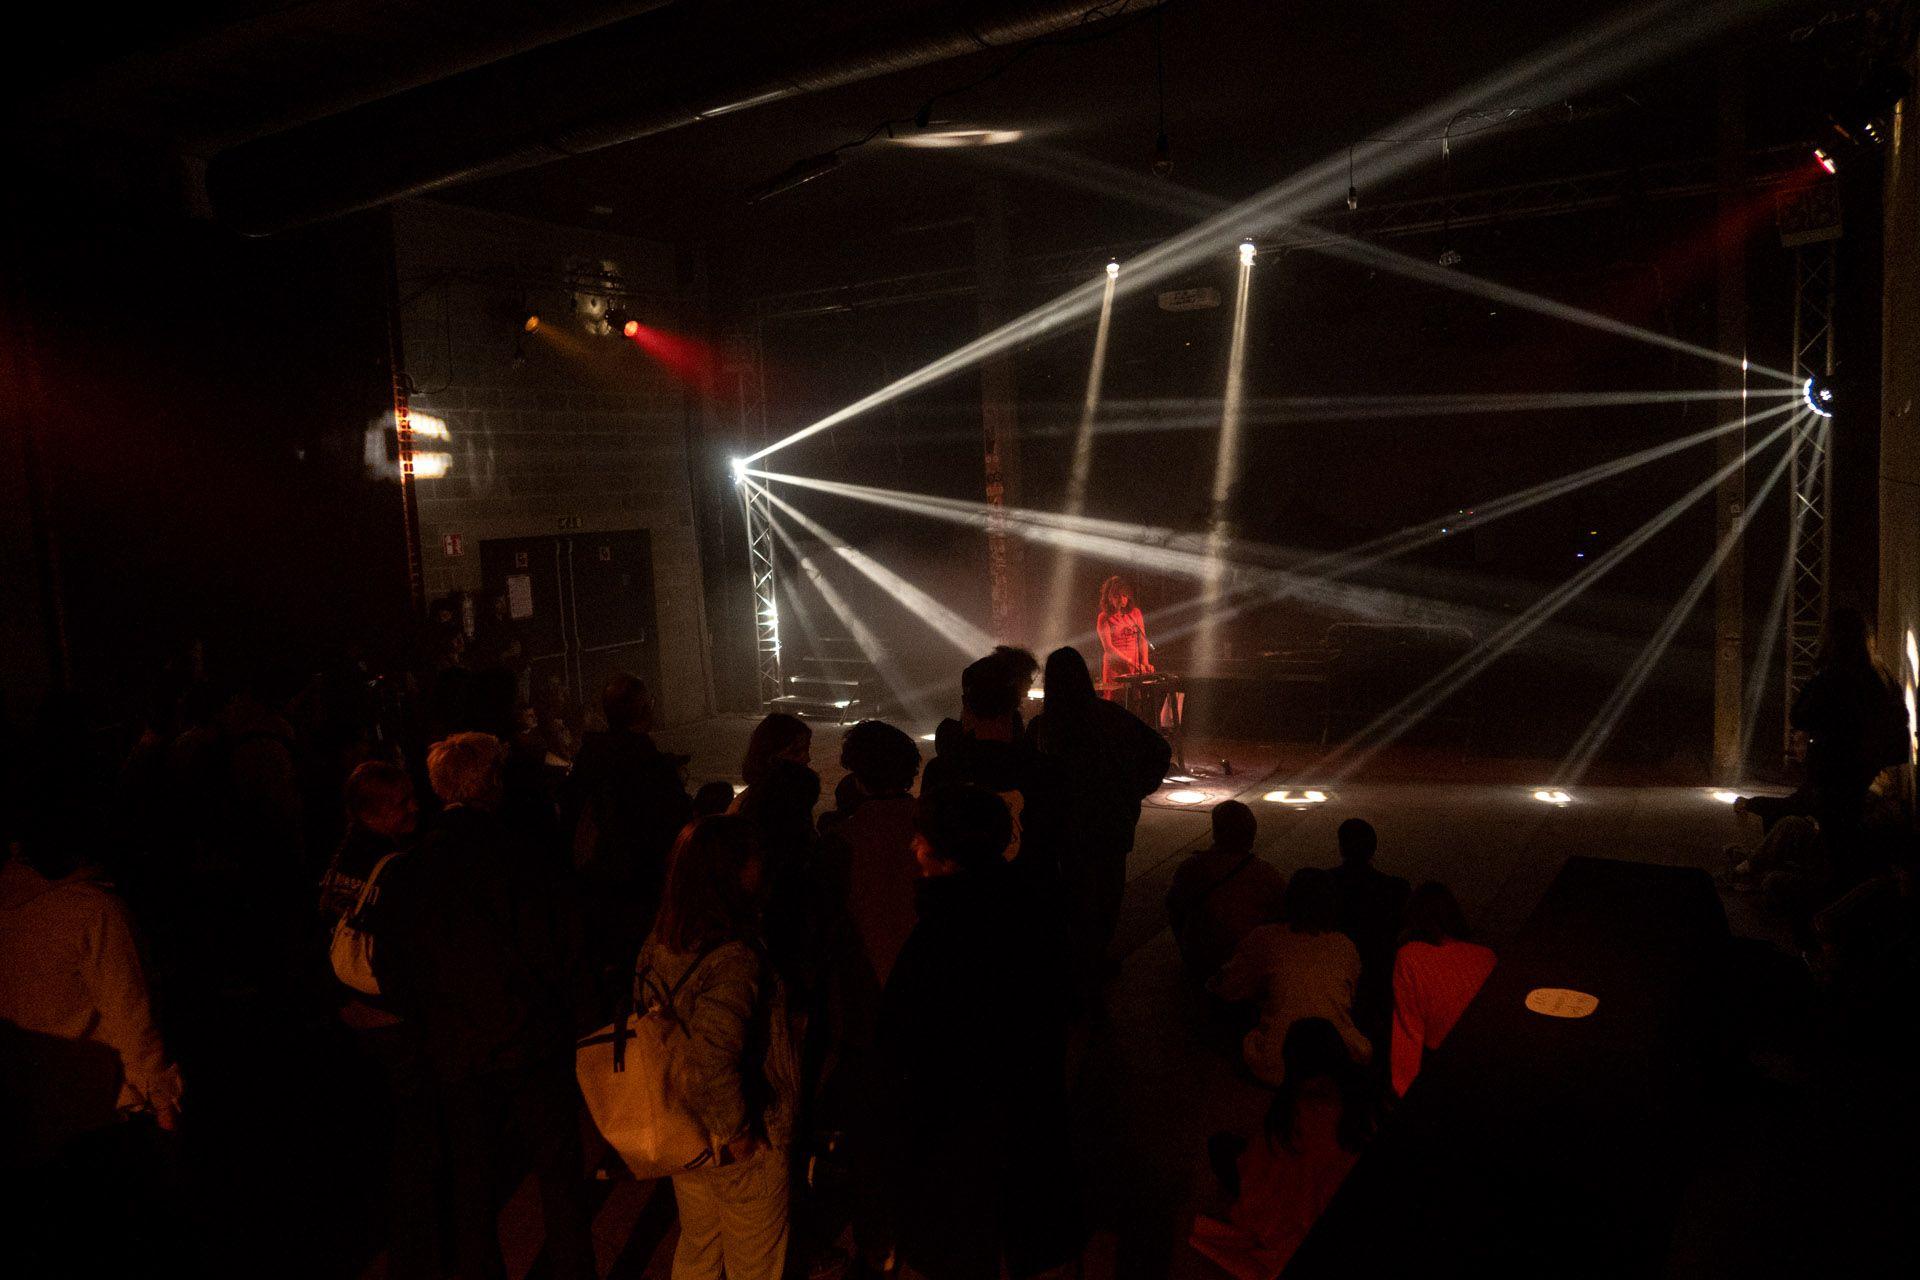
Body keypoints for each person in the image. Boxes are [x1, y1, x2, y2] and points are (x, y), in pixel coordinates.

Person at [373, 732, 595, 1280]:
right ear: (492, 783)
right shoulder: (526, 855)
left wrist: (436, 1019)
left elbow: (390, 969)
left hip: (456, 1052)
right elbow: (566, 946)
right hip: (533, 1040)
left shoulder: (409, 868)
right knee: (560, 1177)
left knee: (471, 1183)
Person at [859, 786, 1082, 1279]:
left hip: (956, 1137)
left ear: (948, 853)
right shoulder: (1036, 912)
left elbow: (899, 1047)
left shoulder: (939, 937)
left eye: (921, 837)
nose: (911, 847)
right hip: (1028, 1119)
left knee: (963, 1247)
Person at [637, 815, 797, 1280]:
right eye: (754, 860)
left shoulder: (662, 938)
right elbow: (714, 1055)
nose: (762, 868)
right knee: (756, 1259)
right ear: (731, 872)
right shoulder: (733, 957)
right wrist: (739, 1132)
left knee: (700, 1244)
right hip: (739, 1134)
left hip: (683, 1126)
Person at [314, 761, 438, 1278]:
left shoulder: (338, 859)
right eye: (400, 803)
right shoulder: (396, 866)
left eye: (413, 797)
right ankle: (417, 1253)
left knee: (379, 1137)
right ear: (370, 811)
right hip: (390, 1019)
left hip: (350, 1013)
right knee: (416, 1142)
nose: (413, 808)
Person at [1030, 646, 1172, 993]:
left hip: (1063, 832)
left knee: (1070, 895)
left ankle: (1074, 964)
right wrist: (1133, 792)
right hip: (1110, 825)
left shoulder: (1042, 728)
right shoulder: (1110, 716)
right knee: (1107, 894)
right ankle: (1095, 959)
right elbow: (1160, 750)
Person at [1189, 1019, 1374, 1280]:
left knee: (1221, 1146)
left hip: (1288, 1219)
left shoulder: (1290, 1110)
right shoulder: (1357, 1103)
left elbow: (1259, 1174)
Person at [561, 674, 692, 998]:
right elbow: (670, 824)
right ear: (646, 708)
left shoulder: (590, 757)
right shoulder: (648, 766)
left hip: (595, 883)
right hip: (638, 886)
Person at [1211, 868, 1371, 1084]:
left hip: (1276, 1065)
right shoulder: (1344, 945)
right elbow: (1350, 998)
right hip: (1338, 1058)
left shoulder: (1266, 938)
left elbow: (1227, 987)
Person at [919, 648, 1063, 872]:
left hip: (962, 901)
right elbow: (1052, 844)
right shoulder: (1044, 770)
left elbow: (931, 846)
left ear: (967, 704)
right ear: (1017, 702)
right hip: (1028, 897)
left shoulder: (941, 770)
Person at [1390, 882, 1497, 1097]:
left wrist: (1403, 1095)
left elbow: (1409, 1031)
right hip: (1487, 1065)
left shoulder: (1410, 956)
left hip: (1443, 1069)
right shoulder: (1487, 956)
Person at [1166, 801, 1288, 983]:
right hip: (1248, 957)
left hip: (1203, 957)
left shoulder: (1192, 868)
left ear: (1216, 832)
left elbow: (1174, 904)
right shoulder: (1267, 874)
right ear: (1251, 835)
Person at [1325, 818, 1409, 1058]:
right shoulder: (1395, 889)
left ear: (1341, 847)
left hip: (1337, 969)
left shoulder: (1327, 884)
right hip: (1379, 972)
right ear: (1373, 849)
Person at [1095, 575, 1152, 691]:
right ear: (1109, 598)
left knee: (1135, 701)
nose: (1122, 600)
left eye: (1125, 596)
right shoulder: (1103, 617)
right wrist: (1130, 662)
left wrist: (1145, 662)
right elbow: (1109, 648)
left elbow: (1142, 639)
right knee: (1115, 701)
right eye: (1117, 596)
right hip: (1115, 667)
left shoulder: (1135, 613)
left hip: (1134, 665)